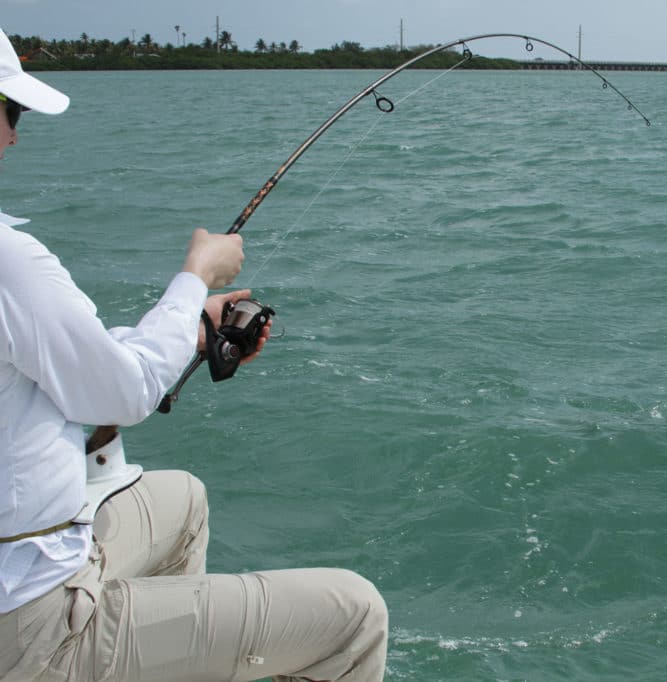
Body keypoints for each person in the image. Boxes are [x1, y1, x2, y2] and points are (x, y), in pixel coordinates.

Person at [0, 28, 387, 682]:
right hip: (33, 625)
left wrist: (194, 326)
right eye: (10, 112)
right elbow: (122, 392)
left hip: (34, 568)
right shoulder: (10, 262)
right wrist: (196, 277)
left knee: (183, 502)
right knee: (355, 614)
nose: (13, 135)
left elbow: (62, 374)